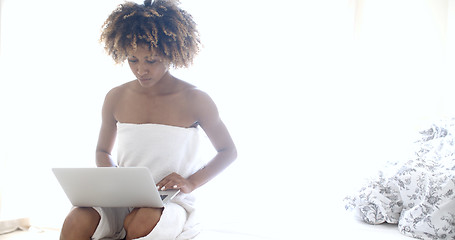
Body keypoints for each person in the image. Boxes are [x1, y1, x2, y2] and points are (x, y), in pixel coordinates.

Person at [59, 0, 237, 239]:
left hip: (170, 202)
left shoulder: (195, 99)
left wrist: (190, 183)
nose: (141, 69)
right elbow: (103, 151)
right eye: (133, 60)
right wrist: (115, 178)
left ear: (171, 53)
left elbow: (228, 151)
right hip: (122, 197)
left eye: (151, 61)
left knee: (142, 220)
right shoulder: (116, 97)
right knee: (77, 219)